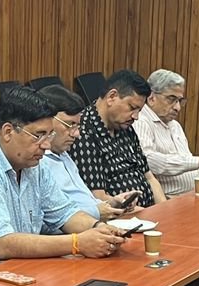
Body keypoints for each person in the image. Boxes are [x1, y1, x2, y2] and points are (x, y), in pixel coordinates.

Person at [0, 86, 125, 273]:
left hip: (15, 269)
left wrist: (99, 229)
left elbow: (65, 214)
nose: (46, 145)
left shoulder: (33, 163)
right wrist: (76, 243)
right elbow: (2, 245)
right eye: (39, 135)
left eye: (50, 135)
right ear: (8, 132)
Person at [70, 69, 166, 208]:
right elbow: (97, 197)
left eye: (139, 111)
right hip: (119, 216)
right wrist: (142, 213)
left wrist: (163, 209)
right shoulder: (84, 132)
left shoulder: (125, 127)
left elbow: (149, 177)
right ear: (112, 97)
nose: (136, 117)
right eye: (132, 108)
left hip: (147, 211)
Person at [38, 84, 136, 220]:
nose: (76, 134)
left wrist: (112, 203)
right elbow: (54, 214)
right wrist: (96, 211)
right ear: (46, 121)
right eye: (70, 125)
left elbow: (84, 199)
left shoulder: (63, 154)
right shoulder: (38, 162)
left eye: (78, 126)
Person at [134, 69, 199, 197]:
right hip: (169, 199)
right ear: (151, 98)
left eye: (180, 101)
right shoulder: (141, 121)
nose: (177, 107)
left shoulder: (175, 125)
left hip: (194, 194)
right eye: (171, 99)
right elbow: (148, 160)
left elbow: (190, 169)